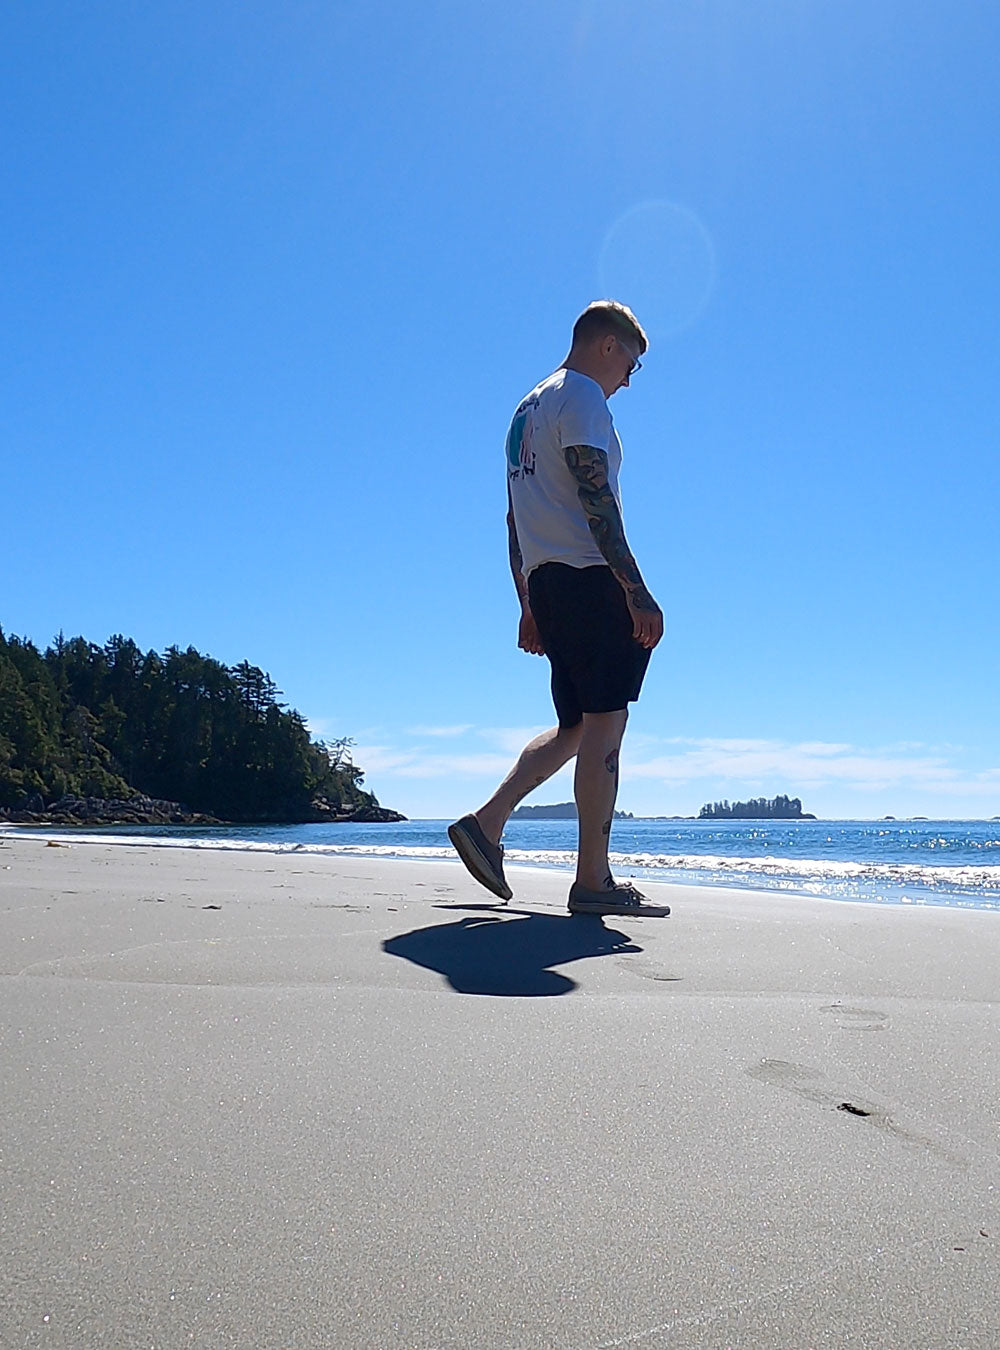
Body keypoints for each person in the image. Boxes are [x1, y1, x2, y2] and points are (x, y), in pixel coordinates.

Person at [449, 300, 669, 917]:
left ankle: (486, 824)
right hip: (589, 579)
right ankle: (593, 882)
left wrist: (528, 601)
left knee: (577, 725)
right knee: (606, 723)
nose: (630, 376)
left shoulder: (527, 409)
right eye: (632, 360)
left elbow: (515, 519)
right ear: (607, 345)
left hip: (549, 582)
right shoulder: (581, 399)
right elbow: (597, 497)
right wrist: (635, 589)